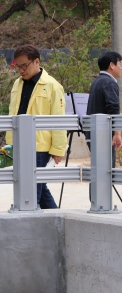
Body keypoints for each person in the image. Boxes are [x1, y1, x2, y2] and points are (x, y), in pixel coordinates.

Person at [6, 45, 67, 209]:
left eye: (24, 66)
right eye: (18, 66)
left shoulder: (53, 86)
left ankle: (31, 218)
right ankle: (55, 217)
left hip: (39, 146)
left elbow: (59, 119)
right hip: (19, 142)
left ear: (37, 62)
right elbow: (14, 111)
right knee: (37, 186)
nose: (20, 70)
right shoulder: (17, 84)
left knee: (32, 191)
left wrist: (58, 149)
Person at [86, 51, 122, 161]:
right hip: (105, 136)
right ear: (112, 65)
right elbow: (113, 108)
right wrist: (117, 133)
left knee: (98, 168)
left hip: (93, 133)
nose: (121, 67)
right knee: (107, 168)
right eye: (119, 63)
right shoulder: (109, 82)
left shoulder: (96, 81)